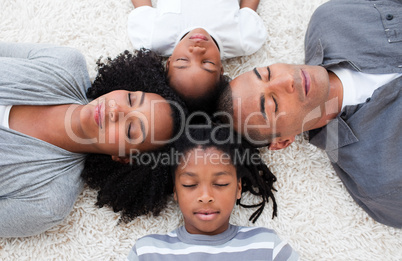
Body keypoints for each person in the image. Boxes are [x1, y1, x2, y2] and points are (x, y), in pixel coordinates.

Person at [218, 0, 402, 228]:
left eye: (267, 73)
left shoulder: (333, 20)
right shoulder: (380, 179)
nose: (287, 80)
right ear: (282, 142)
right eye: (273, 104)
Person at [0, 42, 186, 237]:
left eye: (131, 129)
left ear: (123, 157)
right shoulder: (64, 63)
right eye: (131, 99)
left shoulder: (46, 200)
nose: (115, 110)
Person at [127, 124, 299, 261]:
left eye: (220, 183)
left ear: (238, 188)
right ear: (176, 191)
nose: (205, 197)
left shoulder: (268, 248)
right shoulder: (147, 252)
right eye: (189, 184)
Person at [127, 0, 266, 113]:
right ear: (221, 70)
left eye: (182, 60)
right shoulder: (242, 38)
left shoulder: (154, 38)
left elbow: (142, 8)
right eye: (207, 63)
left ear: (168, 63)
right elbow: (249, 8)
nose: (197, 50)